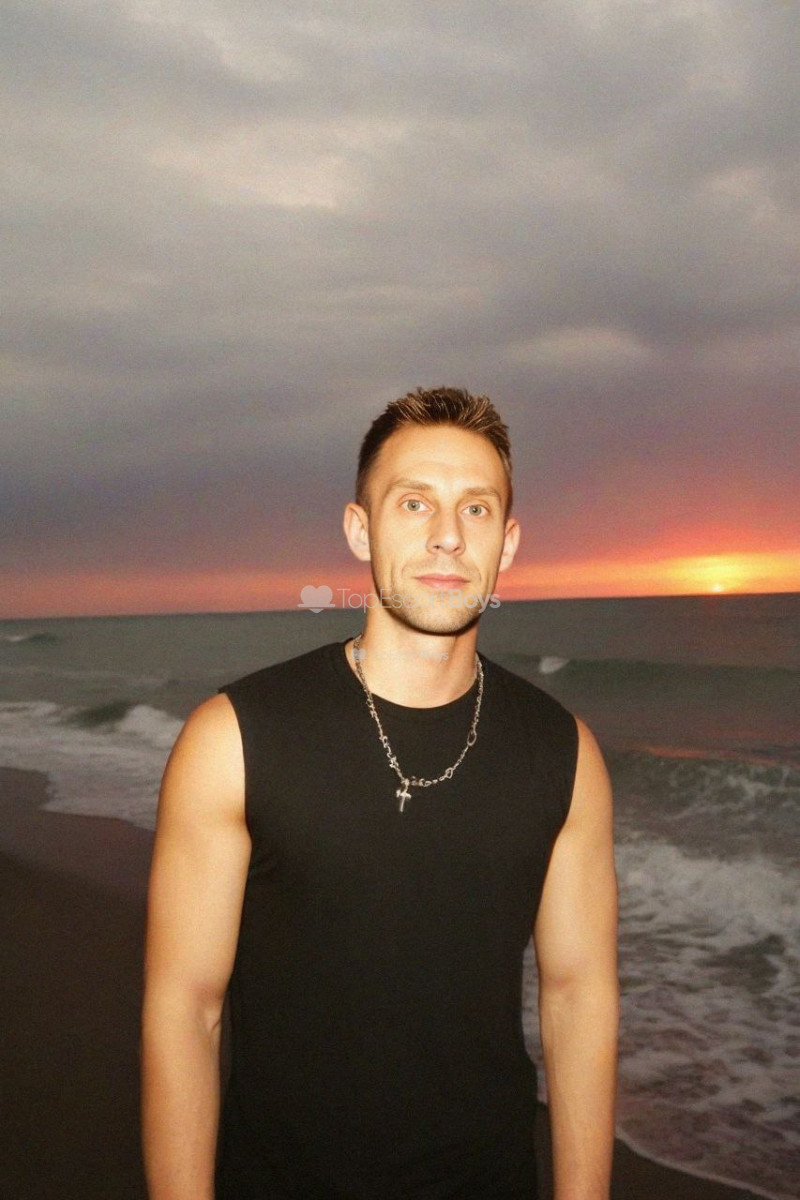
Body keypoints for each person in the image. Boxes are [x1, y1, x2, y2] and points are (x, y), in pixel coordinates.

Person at [141, 387, 619, 1200]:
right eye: (414, 502)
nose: (446, 534)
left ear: (507, 544)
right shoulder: (233, 740)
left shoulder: (564, 754)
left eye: (476, 509)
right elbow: (186, 1010)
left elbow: (578, 1001)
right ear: (360, 529)